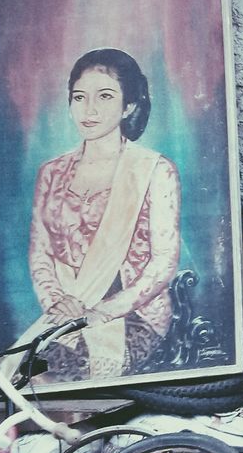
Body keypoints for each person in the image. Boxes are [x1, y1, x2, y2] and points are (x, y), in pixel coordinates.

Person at [24, 47, 181, 381]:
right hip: (68, 309)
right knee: (25, 377)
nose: (89, 110)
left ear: (129, 105)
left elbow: (163, 263)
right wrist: (56, 302)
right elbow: (40, 251)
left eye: (104, 97)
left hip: (133, 315)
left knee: (72, 380)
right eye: (79, 97)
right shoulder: (51, 172)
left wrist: (102, 312)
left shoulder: (154, 170)